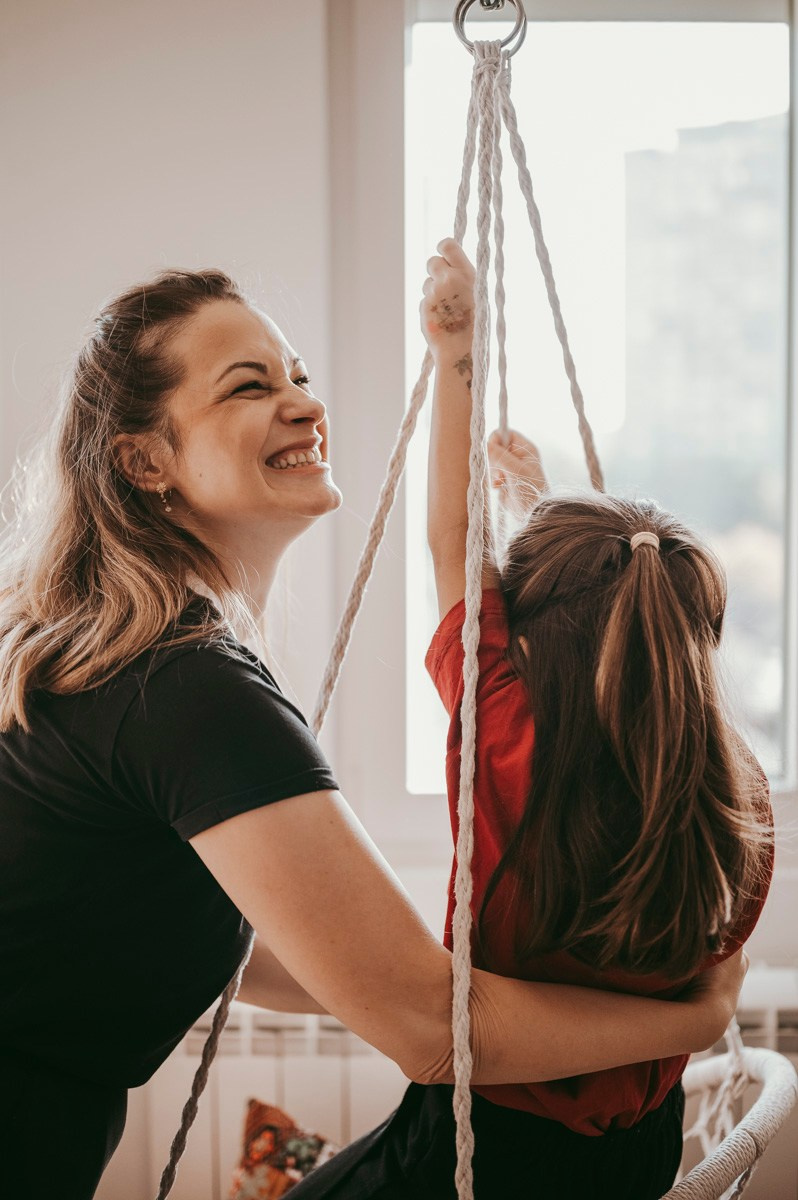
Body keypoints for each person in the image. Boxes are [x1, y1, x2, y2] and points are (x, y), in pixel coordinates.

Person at [0, 267, 749, 1200]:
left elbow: (193, 943)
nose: (304, 405)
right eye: (249, 386)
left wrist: (410, 983)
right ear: (145, 461)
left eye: (299, 376)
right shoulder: (182, 687)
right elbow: (432, 1032)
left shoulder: (122, 658)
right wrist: (694, 1020)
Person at [290, 240, 774, 1199]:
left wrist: (457, 354)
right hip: (636, 1152)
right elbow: (612, 605)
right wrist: (539, 505)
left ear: (526, 638)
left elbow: (450, 538)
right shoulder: (736, 793)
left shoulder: (506, 732)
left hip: (480, 1146)